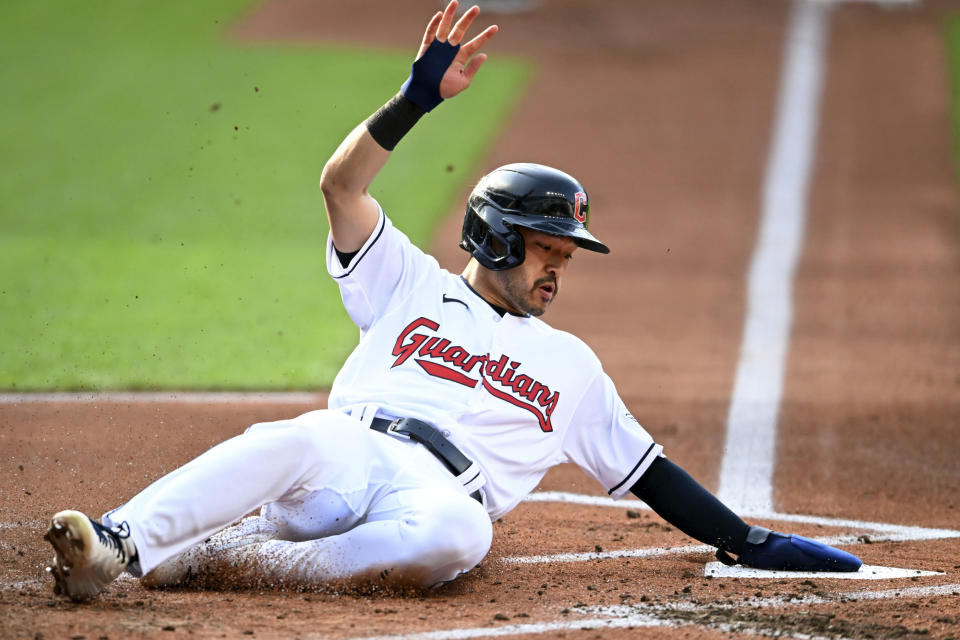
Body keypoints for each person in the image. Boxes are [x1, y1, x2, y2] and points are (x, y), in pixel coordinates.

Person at [44, 1, 861, 603]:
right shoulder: (406, 280)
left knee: (462, 535)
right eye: (548, 251)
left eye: (565, 258)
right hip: (346, 455)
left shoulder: (571, 366)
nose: (558, 273)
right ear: (497, 239)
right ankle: (117, 541)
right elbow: (341, 186)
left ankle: (234, 563)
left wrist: (743, 539)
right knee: (287, 438)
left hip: (432, 499)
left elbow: (651, 474)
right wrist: (415, 103)